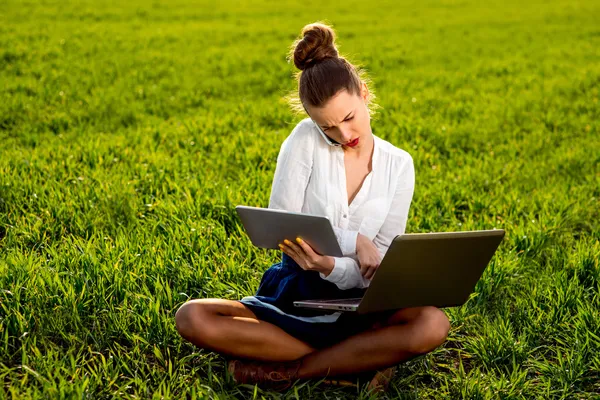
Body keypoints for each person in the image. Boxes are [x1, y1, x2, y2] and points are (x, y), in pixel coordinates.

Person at [175, 21, 450, 393]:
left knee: (433, 324)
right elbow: (281, 225)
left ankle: (293, 371)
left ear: (364, 94)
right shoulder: (304, 139)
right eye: (328, 128)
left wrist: (335, 266)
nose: (343, 135)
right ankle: (355, 360)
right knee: (192, 316)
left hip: (363, 300)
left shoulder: (399, 164)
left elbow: (379, 261)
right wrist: (352, 242)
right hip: (301, 293)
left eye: (349, 118)